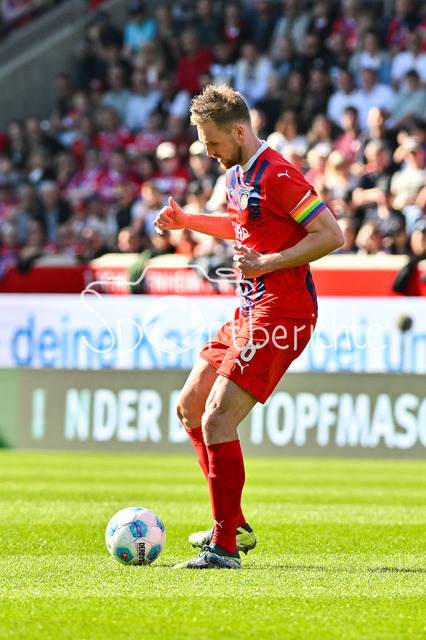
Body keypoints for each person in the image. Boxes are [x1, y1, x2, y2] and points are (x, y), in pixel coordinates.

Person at [153, 85, 344, 569]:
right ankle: (232, 523)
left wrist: (267, 263)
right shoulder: (239, 173)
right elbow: (242, 226)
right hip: (249, 308)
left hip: (283, 312)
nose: (209, 153)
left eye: (213, 143)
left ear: (239, 132)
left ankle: (224, 546)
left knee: (218, 418)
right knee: (189, 406)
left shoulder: (278, 174)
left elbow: (331, 234)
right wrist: (187, 220)